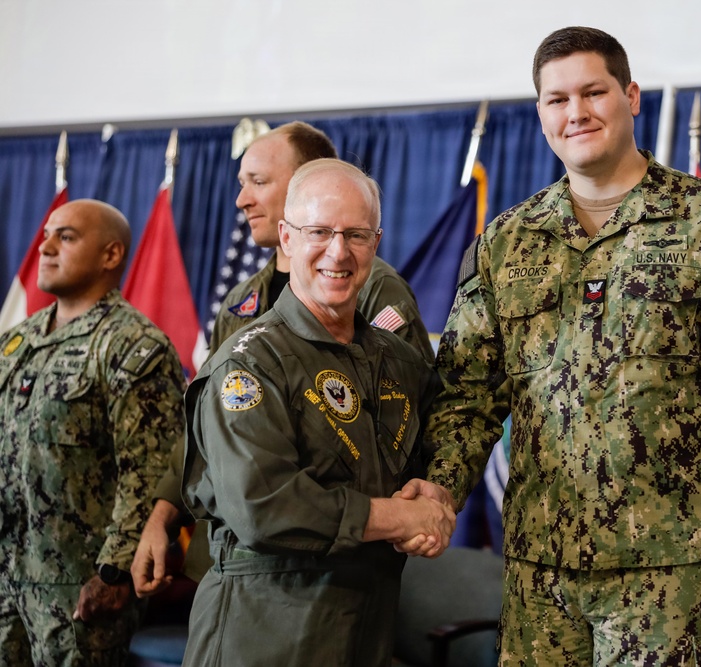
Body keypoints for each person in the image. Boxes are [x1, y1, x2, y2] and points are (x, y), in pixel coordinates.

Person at [399, 26, 701, 665]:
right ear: (540, 113)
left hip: (676, 571)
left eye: (593, 92)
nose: (577, 113)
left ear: (630, 96)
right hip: (541, 572)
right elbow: (466, 394)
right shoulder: (507, 242)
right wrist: (438, 489)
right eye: (557, 99)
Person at [131, 121, 434, 596]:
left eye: (258, 181)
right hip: (231, 556)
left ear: (306, 182)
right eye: (241, 183)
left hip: (328, 566)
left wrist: (415, 511)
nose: (242, 199)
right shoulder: (242, 303)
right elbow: (205, 429)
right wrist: (162, 516)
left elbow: (402, 421)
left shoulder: (369, 287)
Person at [180, 159, 453, 667]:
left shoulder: (399, 362)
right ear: (286, 239)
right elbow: (266, 506)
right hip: (263, 636)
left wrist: (431, 495)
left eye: (356, 234)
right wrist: (399, 517)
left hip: (364, 632)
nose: (338, 251)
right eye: (319, 231)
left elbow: (432, 453)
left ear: (376, 242)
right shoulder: (248, 365)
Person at [0, 200, 186, 665]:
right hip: (6, 579)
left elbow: (148, 470)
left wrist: (114, 572)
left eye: (65, 237)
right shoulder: (17, 341)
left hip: (79, 592)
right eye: (46, 234)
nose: (44, 247)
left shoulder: (134, 346)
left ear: (110, 255)